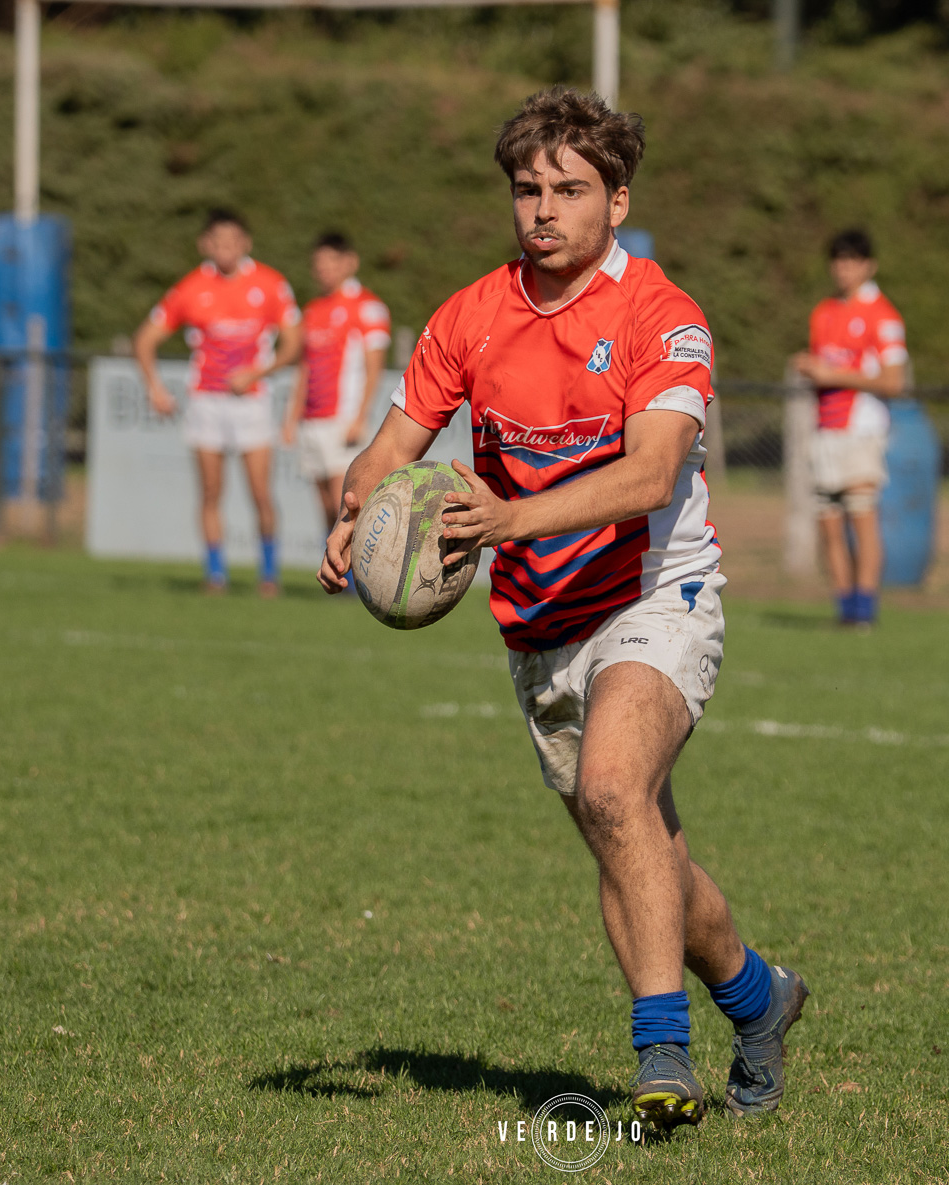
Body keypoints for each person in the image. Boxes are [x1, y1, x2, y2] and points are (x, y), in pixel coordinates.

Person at [317, 88, 807, 1130]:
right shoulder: (471, 315)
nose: (544, 210)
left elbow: (648, 474)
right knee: (644, 850)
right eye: (528, 190)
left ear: (617, 201)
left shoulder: (661, 317)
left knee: (613, 787)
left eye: (570, 190)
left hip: (651, 593)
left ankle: (662, 1057)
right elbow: (390, 450)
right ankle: (761, 1000)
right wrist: (357, 516)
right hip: (539, 627)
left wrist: (505, 518)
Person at [134, 208, 303, 595]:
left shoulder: (270, 283)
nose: (225, 248)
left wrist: (256, 374)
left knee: (260, 492)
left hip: (252, 403)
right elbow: (145, 339)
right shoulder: (190, 288)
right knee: (210, 492)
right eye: (217, 241)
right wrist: (155, 388)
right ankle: (215, 574)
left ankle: (269, 573)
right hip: (207, 403)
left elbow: (293, 345)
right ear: (205, 244)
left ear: (246, 242)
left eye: (233, 240)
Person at [791, 229, 908, 627]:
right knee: (828, 525)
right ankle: (844, 611)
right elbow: (826, 368)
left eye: (852, 260)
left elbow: (895, 382)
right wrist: (811, 368)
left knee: (862, 519)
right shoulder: (823, 312)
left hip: (860, 429)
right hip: (825, 428)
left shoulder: (884, 316)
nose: (844, 268)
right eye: (838, 260)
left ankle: (865, 611)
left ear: (869, 265)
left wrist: (834, 373)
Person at [282, 232, 392, 526]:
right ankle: (334, 571)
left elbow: (375, 368)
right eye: (318, 263)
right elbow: (305, 368)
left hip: (342, 419)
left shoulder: (368, 306)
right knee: (325, 510)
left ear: (350, 262)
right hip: (312, 421)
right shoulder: (313, 310)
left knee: (344, 505)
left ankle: (350, 573)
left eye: (331, 261)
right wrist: (292, 417)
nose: (323, 269)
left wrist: (360, 417)